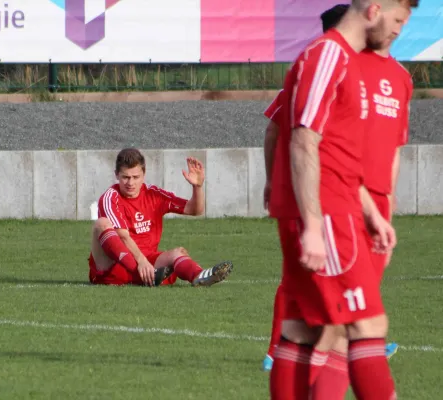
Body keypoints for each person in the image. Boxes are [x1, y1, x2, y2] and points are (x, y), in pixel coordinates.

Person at [266, 1, 417, 399]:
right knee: (366, 325)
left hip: (343, 206)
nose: (399, 29)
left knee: (302, 327)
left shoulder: (344, 59)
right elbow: (303, 138)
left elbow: (337, 151)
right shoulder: (329, 54)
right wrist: (314, 226)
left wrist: (372, 210)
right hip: (330, 212)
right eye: (398, 19)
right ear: (374, 9)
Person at [88, 147, 233, 287]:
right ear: (116, 175)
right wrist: (141, 262)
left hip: (150, 267)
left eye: (135, 177)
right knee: (101, 224)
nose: (130, 183)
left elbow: (194, 210)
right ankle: (145, 277)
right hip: (113, 268)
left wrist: (197, 187)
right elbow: (123, 237)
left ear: (144, 174)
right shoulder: (110, 197)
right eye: (125, 177)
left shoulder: (154, 194)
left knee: (177, 254)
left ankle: (199, 276)